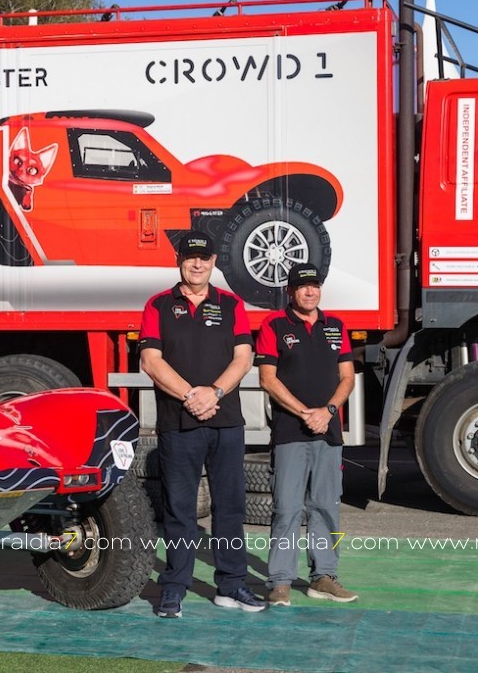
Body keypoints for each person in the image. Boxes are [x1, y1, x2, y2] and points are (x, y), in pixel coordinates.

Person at [139, 230, 264, 618]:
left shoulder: (231, 303)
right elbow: (151, 362)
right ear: (180, 261)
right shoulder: (159, 304)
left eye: (204, 258)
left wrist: (215, 392)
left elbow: (244, 358)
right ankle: (174, 588)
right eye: (191, 258)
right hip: (178, 423)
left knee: (229, 508)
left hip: (226, 421)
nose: (198, 264)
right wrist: (192, 396)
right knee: (180, 510)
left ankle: (231, 585)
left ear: (213, 262)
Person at [255, 262, 358, 606]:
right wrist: (304, 413)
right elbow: (267, 379)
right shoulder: (274, 324)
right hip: (290, 432)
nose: (310, 291)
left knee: (326, 506)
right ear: (291, 291)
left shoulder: (336, 327)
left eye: (315, 285)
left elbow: (347, 378)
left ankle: (324, 576)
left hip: (327, 434)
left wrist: (327, 412)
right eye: (303, 286)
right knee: (286, 508)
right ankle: (281, 581)